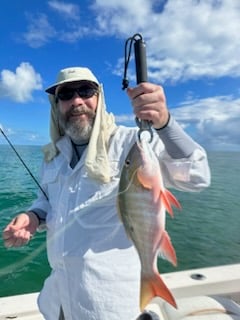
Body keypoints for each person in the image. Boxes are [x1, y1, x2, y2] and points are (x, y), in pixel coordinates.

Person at [2, 67, 211, 320]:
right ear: (56, 105)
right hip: (58, 301)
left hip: (109, 305)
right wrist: (33, 217)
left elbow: (198, 176)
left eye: (85, 91)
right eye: (66, 94)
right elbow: (47, 203)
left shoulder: (133, 143)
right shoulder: (52, 156)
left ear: (99, 98)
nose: (76, 100)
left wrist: (165, 123)